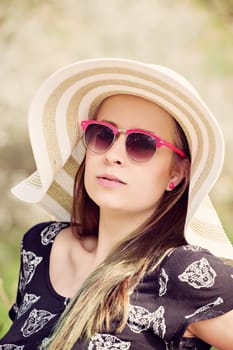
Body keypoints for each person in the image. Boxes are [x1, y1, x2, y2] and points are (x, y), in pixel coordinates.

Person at [1, 58, 233, 350]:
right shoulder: (41, 246)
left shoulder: (181, 272)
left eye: (142, 143)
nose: (113, 155)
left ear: (176, 172)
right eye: (102, 134)